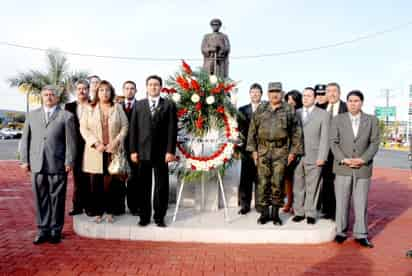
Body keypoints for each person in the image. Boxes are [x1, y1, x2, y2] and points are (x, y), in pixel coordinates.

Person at [20, 85, 77, 244]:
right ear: (41, 97)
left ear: (57, 98)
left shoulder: (66, 116)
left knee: (57, 199)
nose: (49, 97)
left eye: (52, 94)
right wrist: (24, 160)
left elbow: (71, 142)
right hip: (37, 164)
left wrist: (69, 160)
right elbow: (25, 140)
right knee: (40, 199)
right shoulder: (32, 115)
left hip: (58, 164)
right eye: (46, 94)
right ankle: (42, 230)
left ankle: (55, 230)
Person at [247, 82, 303, 225]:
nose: (275, 94)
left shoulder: (289, 109)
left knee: (277, 183)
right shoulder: (261, 108)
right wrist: (253, 150)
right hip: (263, 151)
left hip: (281, 151)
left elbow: (296, 133)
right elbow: (252, 130)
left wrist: (293, 153)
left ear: (282, 93)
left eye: (277, 91)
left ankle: (275, 214)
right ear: (268, 93)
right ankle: (264, 213)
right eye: (272, 91)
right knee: (262, 183)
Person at [331, 90, 380, 248]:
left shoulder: (371, 120)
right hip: (343, 167)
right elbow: (333, 142)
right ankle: (341, 232)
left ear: (362, 103)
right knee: (342, 202)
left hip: (362, 168)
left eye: (356, 101)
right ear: (347, 102)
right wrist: (344, 159)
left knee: (361, 202)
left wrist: (363, 159)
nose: (353, 103)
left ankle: (361, 234)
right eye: (350, 101)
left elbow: (374, 143)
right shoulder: (338, 119)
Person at [129, 75, 177, 227]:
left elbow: (172, 130)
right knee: (143, 185)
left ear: (161, 87)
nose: (153, 87)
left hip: (162, 153)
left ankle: (159, 217)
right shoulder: (139, 105)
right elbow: (133, 130)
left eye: (156, 85)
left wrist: (170, 151)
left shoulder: (169, 105)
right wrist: (133, 151)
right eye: (150, 85)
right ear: (146, 87)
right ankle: (144, 216)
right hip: (142, 152)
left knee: (161, 186)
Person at [80, 80, 128, 224]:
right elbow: (83, 128)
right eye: (101, 90)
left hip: (113, 151)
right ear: (97, 92)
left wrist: (116, 141)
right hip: (96, 151)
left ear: (111, 92)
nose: (104, 93)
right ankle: (97, 212)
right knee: (97, 183)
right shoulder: (89, 108)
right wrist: (96, 143)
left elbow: (125, 126)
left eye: (107, 90)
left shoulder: (117, 107)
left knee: (112, 183)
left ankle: (111, 211)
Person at [292, 87, 330, 224]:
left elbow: (325, 138)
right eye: (304, 96)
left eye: (309, 96)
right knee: (298, 185)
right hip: (297, 157)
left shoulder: (323, 115)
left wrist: (322, 156)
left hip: (314, 156)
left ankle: (311, 213)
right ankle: (299, 212)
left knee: (313, 186)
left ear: (314, 98)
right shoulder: (296, 113)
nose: (305, 98)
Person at [319, 82, 348, 220]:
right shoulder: (321, 107)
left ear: (339, 93)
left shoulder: (346, 108)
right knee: (327, 181)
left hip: (342, 151)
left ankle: (340, 212)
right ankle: (328, 210)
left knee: (342, 183)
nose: (331, 93)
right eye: (328, 91)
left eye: (334, 91)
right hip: (325, 152)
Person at [65, 80, 90, 216]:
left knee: (91, 177)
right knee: (78, 178)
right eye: (79, 89)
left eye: (84, 88)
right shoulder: (68, 107)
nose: (82, 91)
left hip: (91, 146)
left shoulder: (94, 105)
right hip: (75, 146)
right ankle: (78, 206)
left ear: (88, 90)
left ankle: (90, 205)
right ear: (76, 91)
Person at [237, 83, 263, 215]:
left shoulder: (266, 109)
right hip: (247, 150)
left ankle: (259, 205)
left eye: (257, 92)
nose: (255, 94)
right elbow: (239, 131)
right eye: (252, 92)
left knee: (260, 178)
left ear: (261, 94)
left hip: (263, 150)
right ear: (249, 94)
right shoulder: (242, 110)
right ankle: (244, 205)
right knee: (245, 178)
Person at [283, 89, 303, 213]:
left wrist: (294, 151)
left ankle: (297, 205)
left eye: (292, 99)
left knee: (298, 180)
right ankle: (289, 202)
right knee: (287, 179)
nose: (290, 101)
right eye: (288, 99)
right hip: (284, 151)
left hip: (298, 150)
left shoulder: (300, 113)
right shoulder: (284, 113)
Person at [122, 80, 139, 216]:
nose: (129, 91)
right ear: (123, 91)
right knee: (119, 178)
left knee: (134, 179)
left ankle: (134, 207)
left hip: (136, 149)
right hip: (120, 148)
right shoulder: (116, 107)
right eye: (127, 88)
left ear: (136, 91)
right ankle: (119, 206)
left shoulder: (141, 106)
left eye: (132, 88)